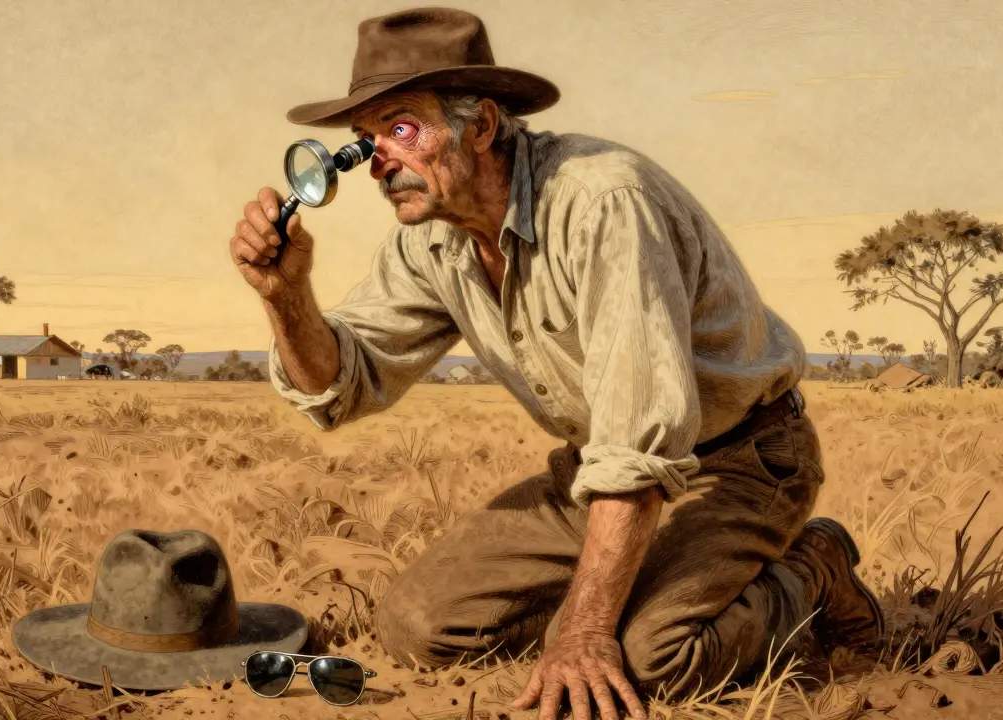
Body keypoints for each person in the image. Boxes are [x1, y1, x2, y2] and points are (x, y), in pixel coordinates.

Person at [229, 8, 884, 720]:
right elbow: (341, 385)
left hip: (739, 462)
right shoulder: (432, 242)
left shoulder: (604, 202)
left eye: (401, 130)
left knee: (645, 662)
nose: (378, 162)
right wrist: (287, 295)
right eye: (365, 142)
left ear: (480, 127)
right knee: (417, 626)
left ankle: (810, 572)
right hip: (598, 472)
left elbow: (638, 440)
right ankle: (641, 585)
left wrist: (584, 632)